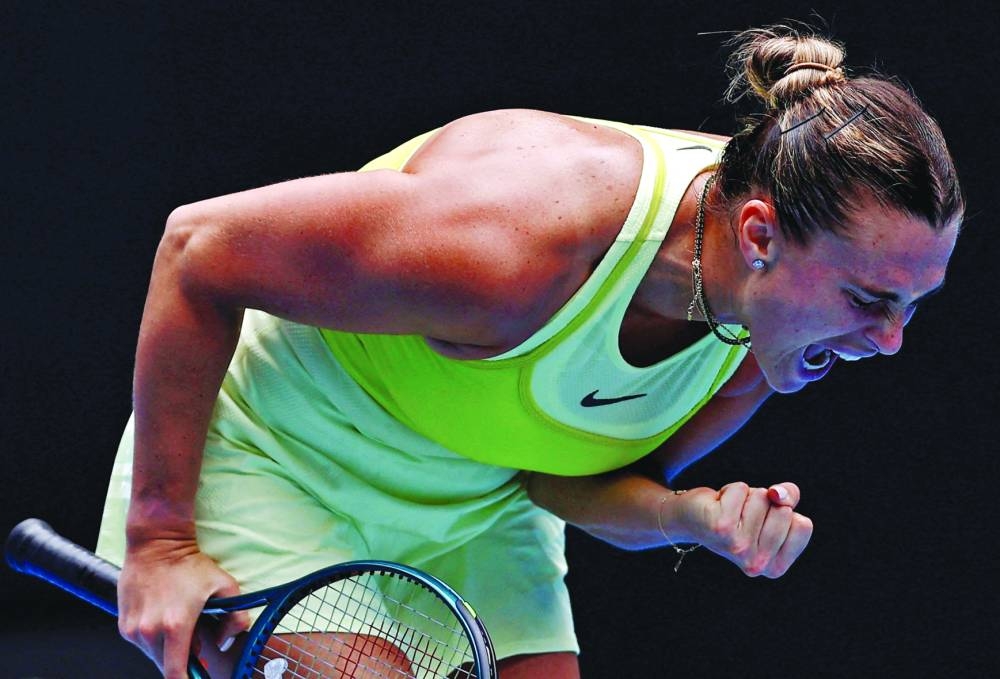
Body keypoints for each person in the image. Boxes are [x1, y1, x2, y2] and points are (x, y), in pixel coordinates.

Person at [95, 24, 963, 679]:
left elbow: (559, 478)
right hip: (280, 449)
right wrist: (161, 541)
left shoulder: (764, 330)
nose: (888, 343)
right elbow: (197, 249)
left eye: (912, 308)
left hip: (484, 504)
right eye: (869, 300)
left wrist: (684, 516)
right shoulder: (516, 244)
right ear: (759, 232)